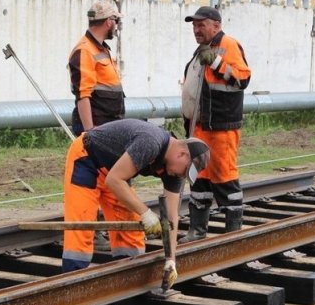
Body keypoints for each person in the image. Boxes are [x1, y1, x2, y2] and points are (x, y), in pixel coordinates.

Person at [62, 118, 210, 290]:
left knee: (130, 238)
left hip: (115, 171)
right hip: (87, 160)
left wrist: (171, 259)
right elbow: (114, 180)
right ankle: (74, 290)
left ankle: (125, 286)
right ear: (182, 154)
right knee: (81, 228)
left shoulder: (174, 172)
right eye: (186, 170)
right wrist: (146, 213)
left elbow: (171, 217)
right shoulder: (150, 142)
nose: (183, 175)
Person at [179, 6, 251, 243]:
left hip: (222, 127)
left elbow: (243, 78)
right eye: (194, 26)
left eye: (201, 25)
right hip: (200, 127)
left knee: (224, 177)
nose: (196, 30)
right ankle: (197, 231)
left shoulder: (228, 45)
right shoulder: (200, 50)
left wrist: (218, 63)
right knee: (199, 178)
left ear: (216, 25)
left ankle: (233, 234)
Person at [68, 0, 125, 136]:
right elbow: (83, 95)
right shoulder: (84, 50)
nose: (117, 26)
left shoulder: (100, 49)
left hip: (108, 123)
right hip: (98, 127)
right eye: (116, 20)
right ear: (108, 22)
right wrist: (90, 133)